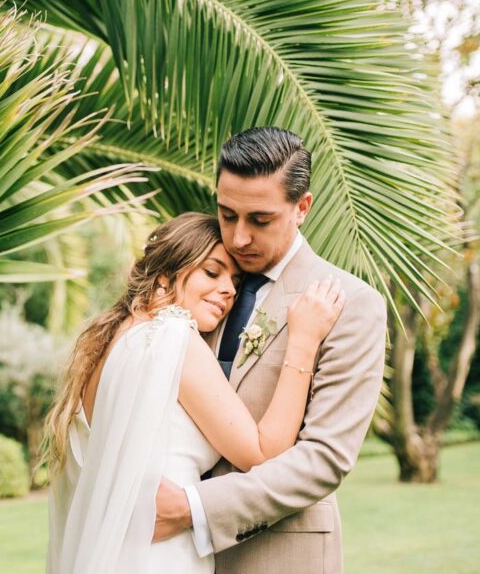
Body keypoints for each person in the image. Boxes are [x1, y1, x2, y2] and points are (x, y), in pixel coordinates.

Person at [44, 210, 344, 574]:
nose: (230, 290)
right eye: (212, 272)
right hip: (160, 557)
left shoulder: (106, 348)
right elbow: (263, 453)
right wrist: (303, 341)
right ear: (164, 277)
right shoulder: (173, 336)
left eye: (234, 280)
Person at [153, 127, 388, 574]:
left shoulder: (352, 305)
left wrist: (193, 507)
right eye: (226, 215)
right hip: (168, 554)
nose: (239, 238)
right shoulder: (199, 280)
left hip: (278, 555)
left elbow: (324, 458)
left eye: (259, 220)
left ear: (302, 208)